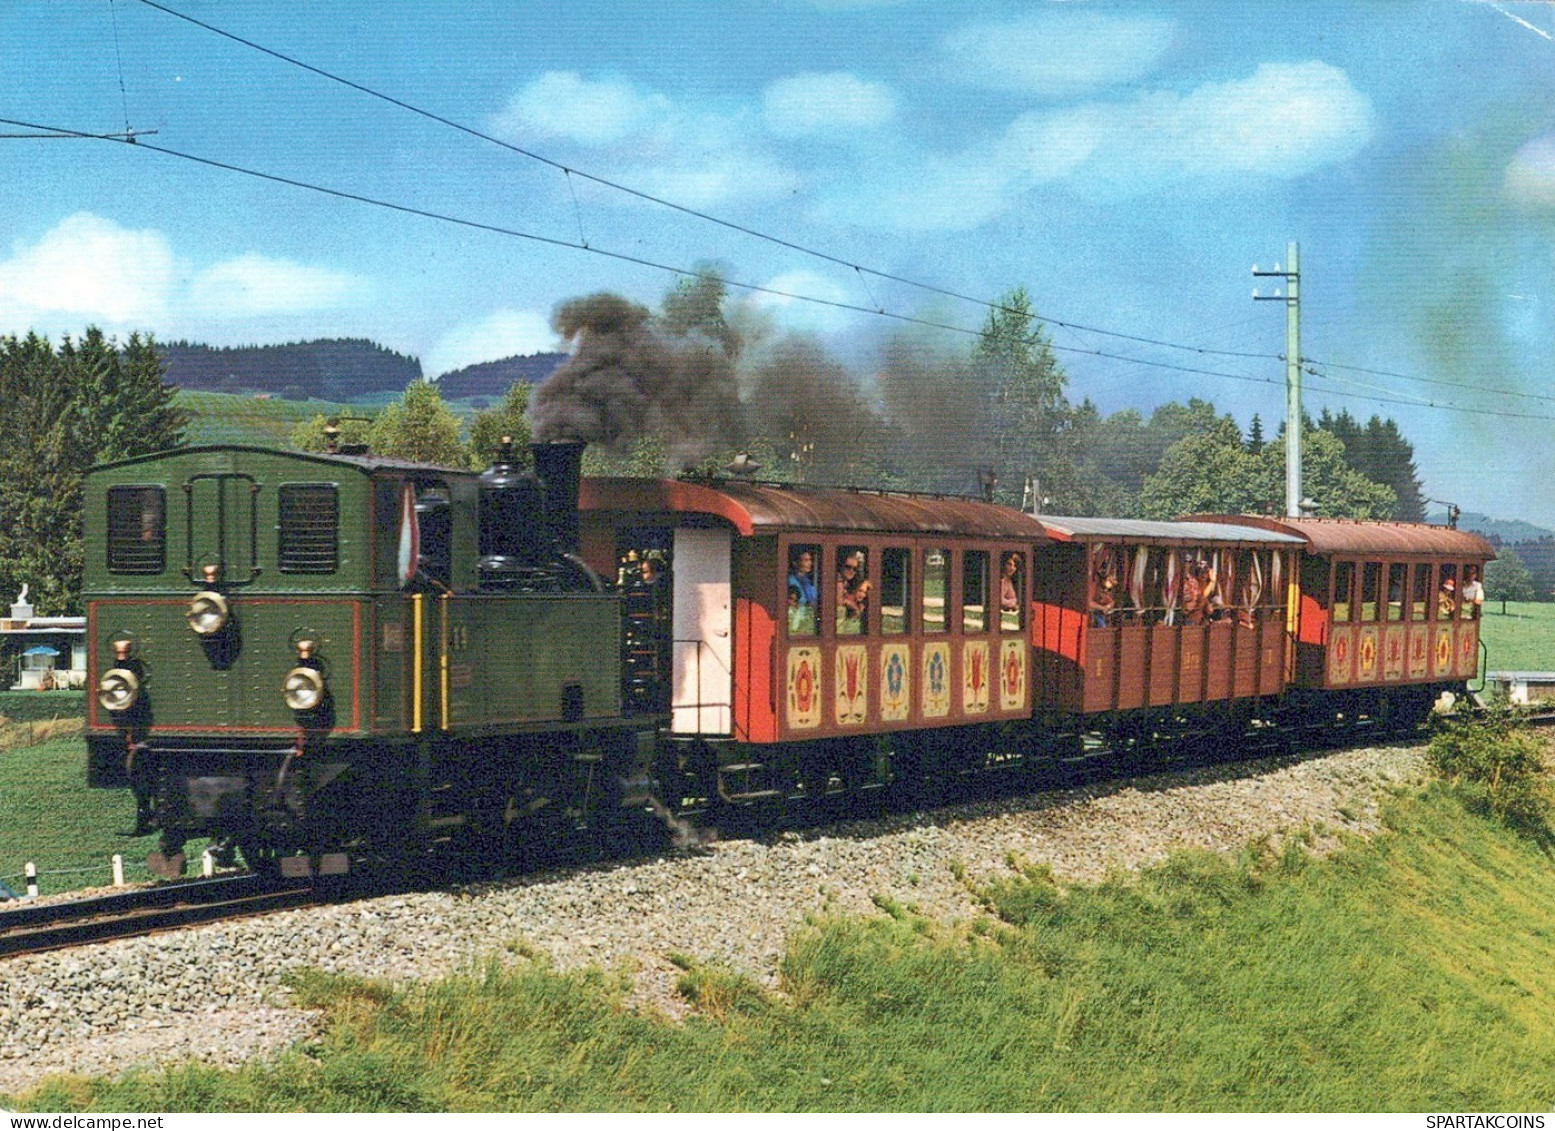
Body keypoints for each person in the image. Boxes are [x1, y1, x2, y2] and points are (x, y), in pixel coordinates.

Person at [837, 551, 870, 634]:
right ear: (841, 566)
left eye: (855, 569)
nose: (851, 571)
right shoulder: (837, 582)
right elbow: (840, 602)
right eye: (848, 567)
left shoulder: (849, 584)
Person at [787, 549, 818, 634]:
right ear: (795, 563)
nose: (810, 563)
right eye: (806, 560)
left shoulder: (808, 582)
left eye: (810, 560)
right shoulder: (790, 581)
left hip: (807, 621)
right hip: (794, 622)